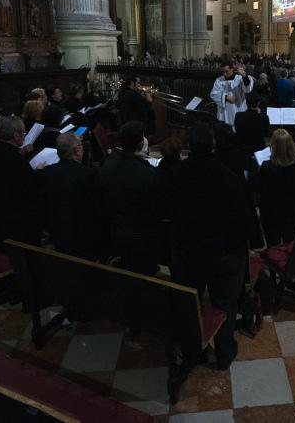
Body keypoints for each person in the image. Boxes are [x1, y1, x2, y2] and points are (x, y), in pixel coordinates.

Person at [168, 125, 252, 370]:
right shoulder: (227, 176)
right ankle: (224, 352)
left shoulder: (177, 174)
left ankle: (194, 350)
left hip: (187, 253)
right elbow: (243, 221)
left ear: (189, 148)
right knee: (224, 303)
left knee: (191, 303)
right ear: (213, 145)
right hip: (222, 254)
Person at [99, 121, 161, 275]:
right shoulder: (148, 174)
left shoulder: (106, 168)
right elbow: (155, 208)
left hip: (114, 231)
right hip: (141, 237)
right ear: (141, 145)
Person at [36, 133, 105, 260]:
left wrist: (39, 171)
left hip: (57, 233)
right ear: (77, 150)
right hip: (84, 235)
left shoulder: (46, 173)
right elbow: (98, 208)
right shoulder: (90, 174)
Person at [0, 115, 43, 246]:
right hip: (17, 222)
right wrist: (40, 172)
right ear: (16, 135)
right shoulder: (15, 159)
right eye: (24, 132)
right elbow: (30, 189)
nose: (25, 136)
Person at [257, 129, 295, 246]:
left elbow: (261, 188)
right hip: (290, 208)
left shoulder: (267, 166)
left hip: (271, 210)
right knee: (289, 240)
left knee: (272, 243)